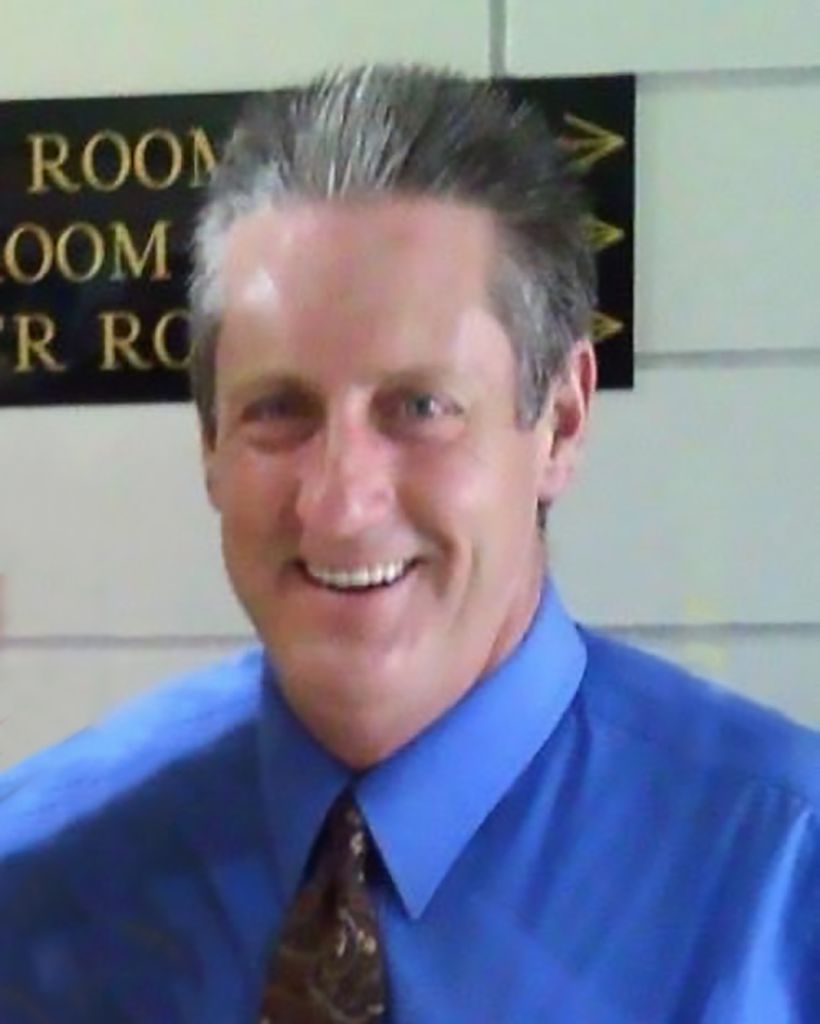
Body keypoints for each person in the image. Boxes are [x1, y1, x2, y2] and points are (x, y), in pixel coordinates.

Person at [0, 65, 817, 1023]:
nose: (341, 505)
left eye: (421, 407)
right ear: (210, 443)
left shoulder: (783, 891)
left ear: (560, 421)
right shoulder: (38, 872)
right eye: (279, 409)